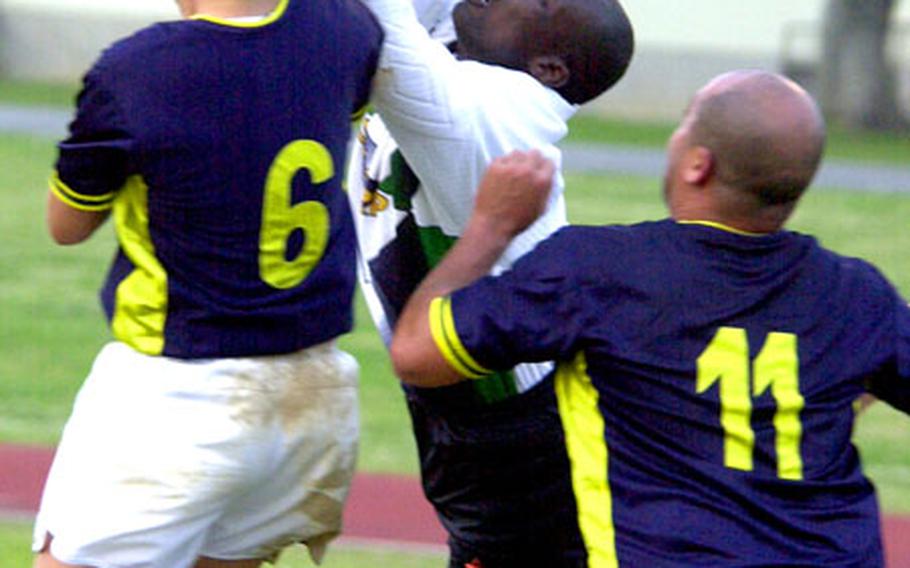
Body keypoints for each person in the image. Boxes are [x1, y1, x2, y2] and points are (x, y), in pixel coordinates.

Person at [391, 70, 909, 566]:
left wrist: (489, 226)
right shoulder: (858, 294)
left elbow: (416, 354)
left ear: (697, 164)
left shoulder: (597, 270)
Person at [33, 0, 381, 566]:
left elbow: (66, 225)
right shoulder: (345, 27)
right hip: (316, 390)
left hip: (180, 392)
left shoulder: (139, 66)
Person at [345, 0, 633, 564]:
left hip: (513, 433)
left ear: (550, 66)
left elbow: (382, 19)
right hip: (477, 401)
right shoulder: (487, 54)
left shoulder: (497, 112)